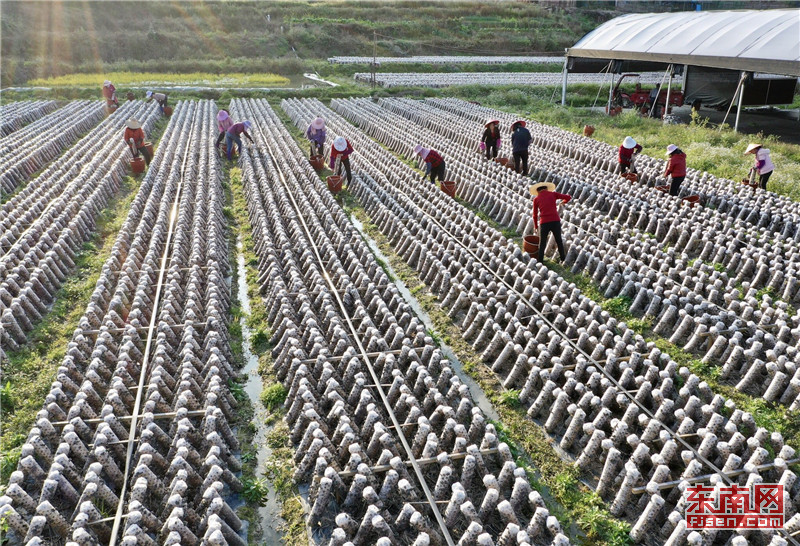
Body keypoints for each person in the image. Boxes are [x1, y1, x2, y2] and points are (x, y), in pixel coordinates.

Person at [531, 182, 571, 263]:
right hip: (555, 221)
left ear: (538, 191)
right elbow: (568, 197)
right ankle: (562, 259)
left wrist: (535, 226)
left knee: (542, 243)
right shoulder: (553, 194)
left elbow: (534, 215)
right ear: (546, 188)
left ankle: (540, 261)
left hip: (544, 223)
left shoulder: (536, 199)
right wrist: (563, 202)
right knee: (559, 240)